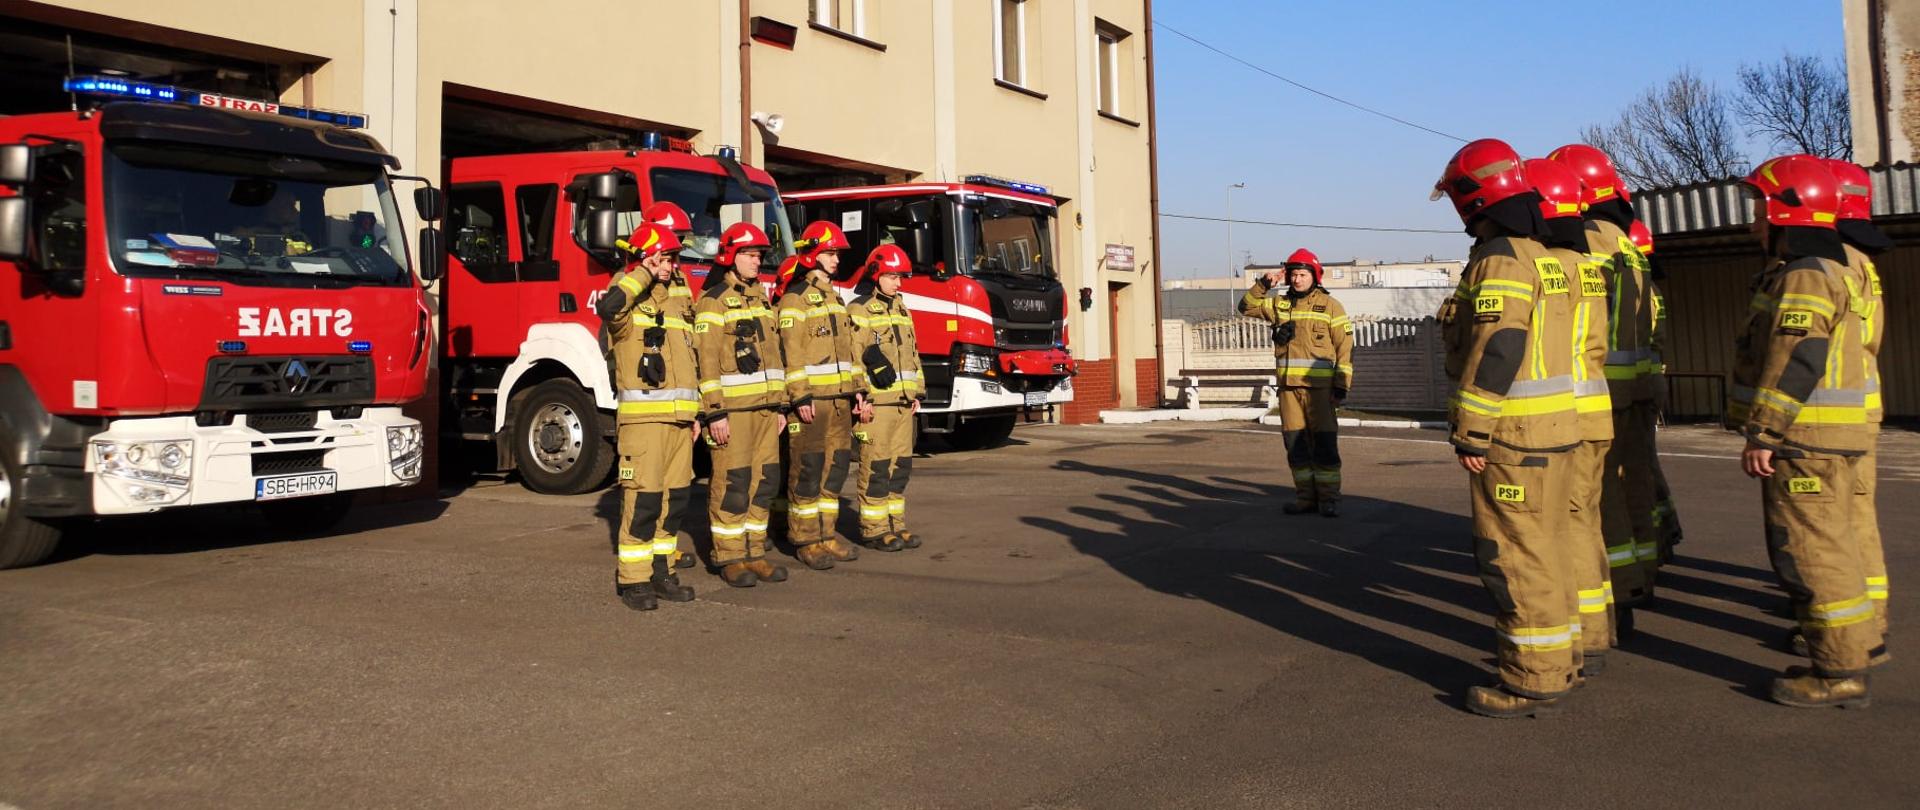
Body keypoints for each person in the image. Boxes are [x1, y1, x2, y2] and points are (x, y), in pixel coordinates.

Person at [1432, 139, 1582, 718]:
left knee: (1514, 554)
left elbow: (1501, 345)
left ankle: (1533, 676)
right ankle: (1561, 658)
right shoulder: (1547, 255)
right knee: (1549, 548)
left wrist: (1472, 428)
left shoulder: (1501, 259)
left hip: (1514, 437)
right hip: (1555, 430)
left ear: (1474, 199)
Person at [1727, 154, 1877, 708]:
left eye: (1760, 211)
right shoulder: (1833, 267)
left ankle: (1838, 671)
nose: (1754, 224)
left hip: (1806, 439)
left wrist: (1763, 432)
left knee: (1812, 554)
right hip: (1829, 435)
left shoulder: (1807, 274)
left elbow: (1798, 356)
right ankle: (1849, 655)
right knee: (1834, 548)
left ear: (1786, 212)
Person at [1547, 144, 1668, 636]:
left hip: (1600, 391)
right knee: (1634, 483)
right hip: (1638, 384)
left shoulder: (1589, 241)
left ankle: (1615, 597)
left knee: (1600, 500)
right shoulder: (1625, 242)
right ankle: (1641, 575)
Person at [1526, 157, 1615, 671]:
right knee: (1585, 522)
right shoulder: (1589, 263)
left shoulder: (1548, 266)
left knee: (1561, 526)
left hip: (1563, 417)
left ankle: (1576, 635)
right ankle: (1594, 625)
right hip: (1594, 406)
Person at [1803, 157, 1891, 662]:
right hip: (1860, 408)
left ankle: (1853, 640)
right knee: (1857, 519)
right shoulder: (1863, 264)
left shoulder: (1831, 268)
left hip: (1831, 416)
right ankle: (1868, 625)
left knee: (1837, 529)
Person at [598, 223, 701, 611]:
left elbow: (690, 361)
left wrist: (696, 414)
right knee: (643, 501)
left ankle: (661, 573)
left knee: (674, 501)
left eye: (673, 258)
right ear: (645, 257)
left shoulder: (676, 302)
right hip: (644, 423)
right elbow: (608, 307)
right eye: (665, 257)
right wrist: (643, 270)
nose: (672, 265)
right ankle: (634, 580)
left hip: (678, 421)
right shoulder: (625, 296)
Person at [694, 222, 791, 588]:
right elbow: (705, 362)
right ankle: (730, 557)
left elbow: (775, 356)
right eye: (750, 255)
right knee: (733, 484)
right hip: (732, 414)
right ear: (730, 257)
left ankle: (754, 552)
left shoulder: (762, 299)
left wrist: (781, 406)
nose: (757, 261)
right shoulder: (713, 300)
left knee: (764, 483)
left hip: (767, 411)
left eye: (760, 255)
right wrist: (714, 412)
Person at [779, 221, 868, 570]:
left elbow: (851, 353)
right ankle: (804, 539)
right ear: (813, 254)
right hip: (812, 403)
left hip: (840, 401)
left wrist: (859, 390)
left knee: (834, 472)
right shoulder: (795, 298)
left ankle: (826, 534)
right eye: (830, 253)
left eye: (837, 254)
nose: (836, 260)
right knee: (808, 471)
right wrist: (799, 397)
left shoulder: (836, 298)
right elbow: (791, 354)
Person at [1237, 248, 1353, 516]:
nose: (1297, 279)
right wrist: (1265, 283)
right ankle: (1305, 498)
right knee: (1295, 444)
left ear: (1315, 276)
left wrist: (1341, 386)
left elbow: (1345, 349)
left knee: (1324, 444)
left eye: (1302, 274)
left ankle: (1329, 499)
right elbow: (1246, 306)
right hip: (1289, 390)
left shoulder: (1332, 306)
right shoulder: (1279, 304)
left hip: (1320, 391)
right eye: (1293, 274)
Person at [849, 245, 926, 551]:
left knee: (900, 468)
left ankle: (897, 524)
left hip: (903, 403)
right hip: (877, 405)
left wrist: (917, 392)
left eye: (900, 277)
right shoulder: (859, 309)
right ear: (876, 275)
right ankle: (874, 528)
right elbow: (853, 357)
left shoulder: (901, 309)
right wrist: (861, 395)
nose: (898, 283)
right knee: (877, 468)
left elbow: (914, 355)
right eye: (892, 276)